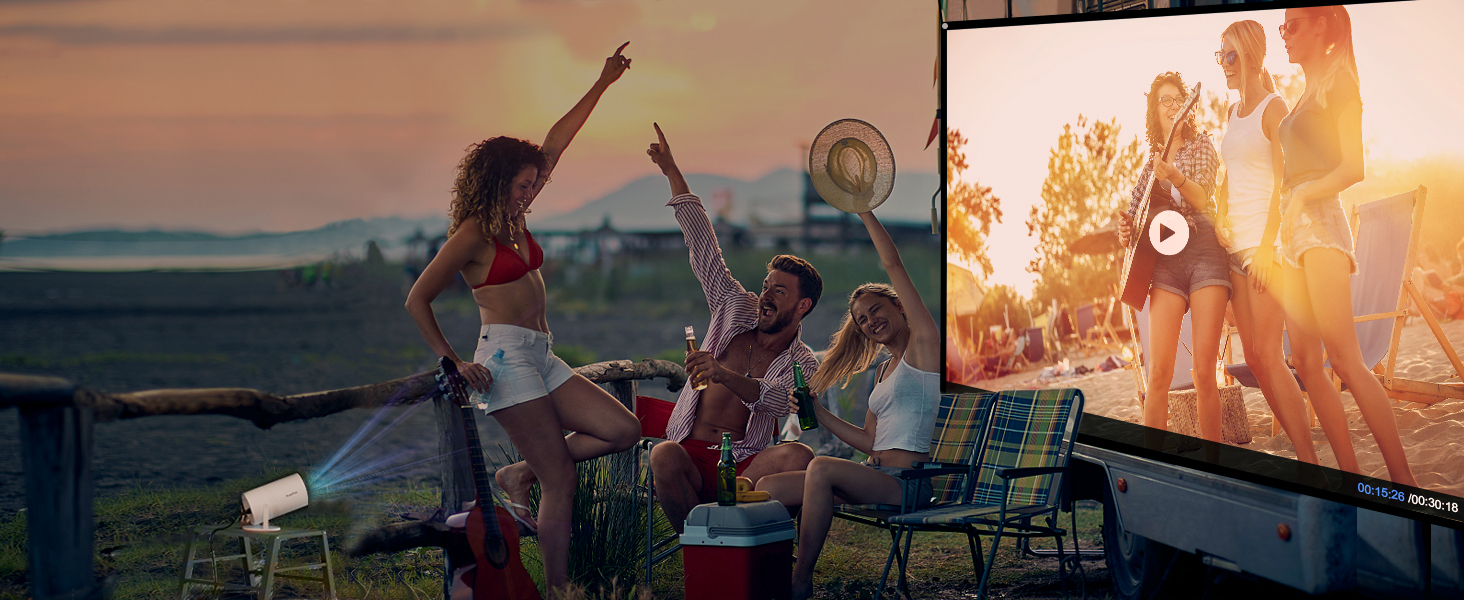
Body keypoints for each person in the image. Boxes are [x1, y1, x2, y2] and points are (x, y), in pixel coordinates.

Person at [403, 43, 642, 594]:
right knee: (563, 477)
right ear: (496, 182)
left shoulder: (516, 216)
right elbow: (418, 298)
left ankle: (519, 473)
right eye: (522, 184)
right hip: (505, 359)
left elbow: (556, 142)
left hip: (542, 353)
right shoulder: (472, 233)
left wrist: (603, 82)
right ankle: (558, 589)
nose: (531, 191)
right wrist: (452, 361)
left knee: (624, 429)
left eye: (534, 184)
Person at [754, 210, 940, 600]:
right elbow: (872, 441)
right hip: (874, 474)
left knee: (820, 467)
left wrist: (863, 211)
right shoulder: (882, 371)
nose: (870, 321)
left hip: (908, 485)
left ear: (899, 307)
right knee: (767, 487)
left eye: (876, 311)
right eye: (861, 320)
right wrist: (818, 412)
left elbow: (892, 262)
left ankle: (800, 581)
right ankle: (767, 572)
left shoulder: (924, 348)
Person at [644, 123, 818, 534]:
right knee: (663, 454)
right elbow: (703, 242)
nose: (765, 296)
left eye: (778, 291)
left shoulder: (803, 362)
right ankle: (703, 543)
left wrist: (723, 374)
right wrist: (671, 170)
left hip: (746, 464)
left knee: (798, 458)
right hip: (690, 452)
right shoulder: (733, 306)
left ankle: (735, 529)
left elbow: (776, 403)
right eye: (765, 286)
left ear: (802, 305)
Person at [1274, 6, 1414, 484]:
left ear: (1321, 24)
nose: (1284, 35)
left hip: (1319, 223)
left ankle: (1405, 484)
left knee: (1345, 359)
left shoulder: (1341, 82)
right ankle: (1352, 480)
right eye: (1281, 27)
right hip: (1289, 233)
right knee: (1305, 362)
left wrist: (1302, 199)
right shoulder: (1301, 93)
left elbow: (1354, 167)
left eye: (1292, 24)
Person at [1211, 20, 1323, 465]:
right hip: (1234, 250)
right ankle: (1301, 457)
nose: (1225, 65)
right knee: (1255, 359)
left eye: (1231, 56)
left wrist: (1265, 246)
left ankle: (1308, 461)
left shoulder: (1273, 108)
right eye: (1220, 56)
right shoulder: (1233, 113)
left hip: (1264, 250)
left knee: (1271, 358)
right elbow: (1230, 179)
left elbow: (1285, 182)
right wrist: (1219, 215)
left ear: (1253, 56)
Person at [1118, 71, 1229, 444]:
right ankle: (1157, 467)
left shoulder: (1202, 146)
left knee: (1202, 373)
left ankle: (1214, 466)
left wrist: (1175, 177)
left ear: (1186, 105)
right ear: (1154, 111)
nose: (1170, 105)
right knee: (1158, 376)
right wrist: (1126, 231)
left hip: (1204, 254)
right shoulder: (1149, 167)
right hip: (1165, 263)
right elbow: (1135, 221)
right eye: (1162, 100)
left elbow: (1203, 199)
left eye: (1176, 98)